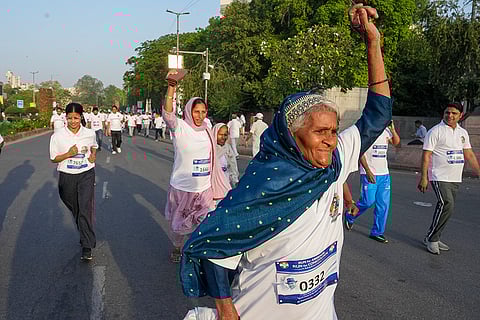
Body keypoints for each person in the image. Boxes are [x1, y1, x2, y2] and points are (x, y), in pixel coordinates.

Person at [180, 5, 392, 319]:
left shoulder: (334, 161)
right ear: (292, 135)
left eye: (333, 131)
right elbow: (213, 247)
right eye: (320, 132)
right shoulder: (263, 182)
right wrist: (225, 309)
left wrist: (373, 45)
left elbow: (378, 114)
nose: (330, 140)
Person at [163, 73, 231, 264]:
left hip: (204, 188)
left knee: (206, 222)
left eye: (203, 112)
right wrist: (172, 87)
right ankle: (177, 247)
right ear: (188, 111)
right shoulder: (180, 127)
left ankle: (199, 253)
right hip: (182, 188)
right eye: (196, 112)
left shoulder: (207, 128)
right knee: (180, 226)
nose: (200, 116)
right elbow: (168, 113)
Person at [418, 103, 480, 254]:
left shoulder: (462, 133)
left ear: (460, 115)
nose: (450, 116)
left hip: (455, 177)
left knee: (447, 209)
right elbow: (426, 156)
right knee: (447, 203)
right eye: (447, 112)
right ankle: (432, 239)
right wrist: (424, 177)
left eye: (454, 113)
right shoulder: (435, 131)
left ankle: (434, 236)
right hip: (439, 176)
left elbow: (469, 155)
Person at [49, 102, 97, 261]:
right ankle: (84, 229)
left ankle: (87, 245)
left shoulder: (89, 133)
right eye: (70, 118)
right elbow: (53, 158)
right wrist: (68, 154)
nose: (73, 121)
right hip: (67, 176)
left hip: (86, 173)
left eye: (76, 118)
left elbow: (94, 146)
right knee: (76, 209)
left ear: (81, 116)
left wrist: (93, 154)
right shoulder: (57, 136)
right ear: (65, 118)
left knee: (85, 208)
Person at [344, 121, 400, 243]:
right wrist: (368, 171)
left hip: (384, 174)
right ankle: (350, 215)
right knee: (367, 201)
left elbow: (396, 143)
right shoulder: (367, 132)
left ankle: (377, 232)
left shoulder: (386, 131)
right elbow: (360, 153)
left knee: (383, 205)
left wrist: (393, 130)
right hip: (369, 174)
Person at [213, 123, 239, 187]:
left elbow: (233, 166)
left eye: (225, 135)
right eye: (220, 134)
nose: (223, 137)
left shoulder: (228, 148)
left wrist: (235, 180)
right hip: (214, 184)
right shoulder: (210, 148)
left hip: (226, 182)